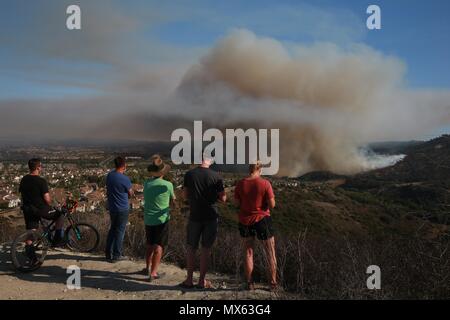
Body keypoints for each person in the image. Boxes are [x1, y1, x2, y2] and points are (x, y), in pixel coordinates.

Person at [180, 154, 226, 289]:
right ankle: (201, 281)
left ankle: (188, 280)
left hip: (195, 215)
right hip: (211, 216)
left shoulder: (189, 174)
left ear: (200, 159)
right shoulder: (216, 176)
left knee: (191, 248)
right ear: (210, 161)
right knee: (206, 249)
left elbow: (185, 195)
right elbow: (223, 199)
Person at [234, 161, 278, 291]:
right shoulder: (265, 183)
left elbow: (236, 204)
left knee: (248, 252)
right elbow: (272, 205)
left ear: (249, 169)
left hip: (245, 221)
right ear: (260, 170)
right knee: (270, 252)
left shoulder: (240, 184)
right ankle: (273, 283)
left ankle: (249, 283)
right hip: (263, 220)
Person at [19, 158, 65, 263]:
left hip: (28, 209)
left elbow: (22, 194)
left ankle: (30, 255)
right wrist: (54, 204)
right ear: (38, 167)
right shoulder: (41, 181)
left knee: (31, 231)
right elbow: (47, 200)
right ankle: (57, 240)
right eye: (41, 166)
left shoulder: (24, 179)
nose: (41, 167)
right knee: (60, 215)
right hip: (40, 209)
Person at [142, 155, 176, 281]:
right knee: (159, 246)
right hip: (162, 219)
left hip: (148, 218)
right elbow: (174, 201)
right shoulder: (168, 185)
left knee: (149, 244)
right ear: (163, 172)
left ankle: (147, 268)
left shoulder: (146, 184)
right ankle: (154, 273)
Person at [105, 156, 133, 262]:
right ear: (124, 166)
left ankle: (108, 253)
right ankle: (117, 255)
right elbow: (130, 193)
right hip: (122, 208)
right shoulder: (125, 179)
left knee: (113, 229)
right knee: (120, 231)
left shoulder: (109, 176)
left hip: (112, 207)